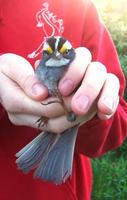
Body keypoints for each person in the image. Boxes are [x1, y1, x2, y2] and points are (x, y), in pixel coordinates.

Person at [0, 0, 127, 199]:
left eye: (64, 52)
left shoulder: (79, 8)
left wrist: (93, 109)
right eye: (50, 53)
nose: (57, 57)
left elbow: (116, 124)